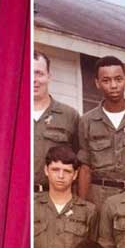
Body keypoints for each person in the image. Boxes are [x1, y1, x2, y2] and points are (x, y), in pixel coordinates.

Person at [76, 56, 125, 209]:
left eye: (118, 79)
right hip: (98, 198)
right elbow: (85, 168)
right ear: (97, 83)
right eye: (106, 80)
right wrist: (82, 205)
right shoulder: (87, 121)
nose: (113, 85)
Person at [35, 145, 99, 248]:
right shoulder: (32, 205)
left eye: (67, 171)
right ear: (46, 170)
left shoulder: (88, 211)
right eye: (55, 169)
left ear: (75, 174)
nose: (61, 176)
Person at [33, 50, 80, 192]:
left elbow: (79, 163)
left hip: (54, 197)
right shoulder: (9, 114)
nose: (34, 79)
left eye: (39, 73)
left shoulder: (69, 116)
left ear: (49, 76)